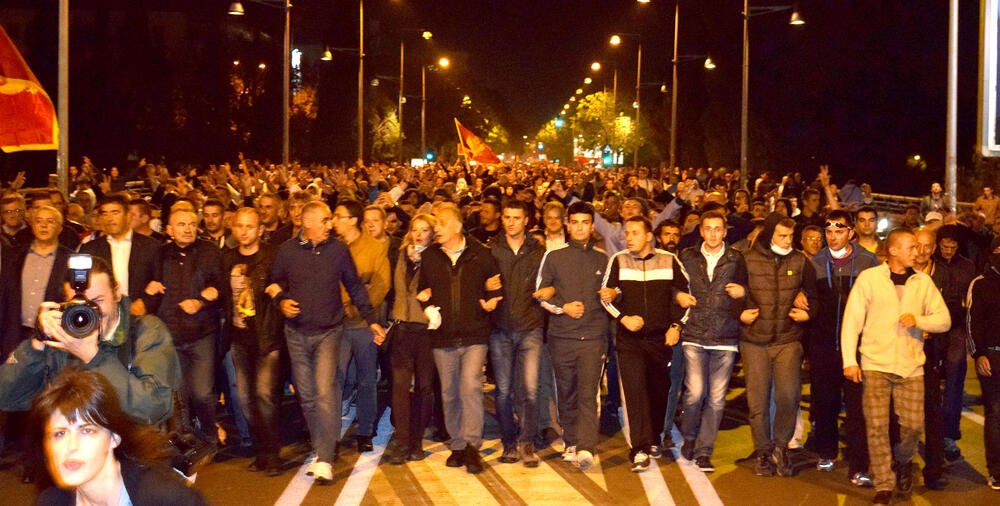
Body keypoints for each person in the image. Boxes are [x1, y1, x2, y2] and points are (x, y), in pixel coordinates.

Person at [268, 201, 385, 484]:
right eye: (325, 220)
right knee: (306, 395)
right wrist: (281, 301)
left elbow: (355, 285)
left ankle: (325, 458)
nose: (330, 224)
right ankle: (321, 444)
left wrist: (370, 319)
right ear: (309, 224)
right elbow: (272, 283)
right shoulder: (286, 251)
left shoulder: (338, 250)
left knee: (324, 391)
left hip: (329, 333)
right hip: (295, 334)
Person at [0, 255, 181, 425]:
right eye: (79, 304)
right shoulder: (59, 338)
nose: (90, 311)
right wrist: (36, 346)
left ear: (117, 293)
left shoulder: (146, 331)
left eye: (97, 301)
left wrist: (93, 357)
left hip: (129, 450)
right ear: (65, 303)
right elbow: (6, 397)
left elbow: (154, 409)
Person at [841, 228, 951, 504]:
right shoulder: (870, 279)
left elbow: (944, 320)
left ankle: (903, 461)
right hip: (875, 364)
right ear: (893, 250)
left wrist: (920, 321)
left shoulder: (923, 282)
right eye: (911, 247)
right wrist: (849, 361)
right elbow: (852, 321)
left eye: (917, 247)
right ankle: (883, 485)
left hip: (911, 366)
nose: (917, 252)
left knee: (913, 426)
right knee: (877, 426)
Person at [32, 368, 206, 506]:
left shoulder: (167, 498)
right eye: (59, 434)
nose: (70, 446)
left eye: (86, 431)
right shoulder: (51, 501)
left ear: (114, 438)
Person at [417, 203, 501, 474]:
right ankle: (457, 445)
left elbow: (496, 287)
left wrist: (490, 301)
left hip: (475, 333)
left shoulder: (481, 254)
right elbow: (423, 290)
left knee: (470, 387)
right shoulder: (430, 256)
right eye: (435, 223)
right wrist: (425, 305)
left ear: (456, 225)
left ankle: (473, 446)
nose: (436, 228)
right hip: (442, 336)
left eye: (441, 223)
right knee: (449, 392)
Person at [599, 216, 686, 472]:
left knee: (659, 392)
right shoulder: (618, 260)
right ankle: (639, 449)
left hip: (661, 340)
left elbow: (685, 295)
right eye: (627, 233)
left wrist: (676, 326)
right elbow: (605, 297)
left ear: (649, 236)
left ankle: (656, 436)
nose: (629, 237)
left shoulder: (670, 261)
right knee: (635, 394)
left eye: (635, 233)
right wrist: (623, 318)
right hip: (630, 341)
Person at [740, 213, 817, 477]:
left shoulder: (799, 260)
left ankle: (781, 447)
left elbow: (815, 298)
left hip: (788, 339)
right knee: (758, 402)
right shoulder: (747, 259)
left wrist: (807, 310)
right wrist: (739, 311)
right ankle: (763, 452)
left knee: (788, 395)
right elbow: (731, 293)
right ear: (769, 234)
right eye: (782, 235)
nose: (787, 241)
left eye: (790, 236)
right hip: (754, 341)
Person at [536, 201, 609, 472]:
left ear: (592, 227)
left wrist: (615, 295)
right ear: (568, 225)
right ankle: (571, 441)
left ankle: (587, 445)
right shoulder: (553, 256)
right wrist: (562, 307)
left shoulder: (604, 258)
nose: (579, 227)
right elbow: (541, 293)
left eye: (585, 223)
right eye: (575, 222)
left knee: (589, 393)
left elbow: (613, 293)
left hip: (593, 336)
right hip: (561, 336)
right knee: (565, 392)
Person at [807, 211, 878, 485]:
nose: (833, 237)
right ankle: (827, 452)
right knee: (825, 403)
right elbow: (808, 301)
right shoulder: (815, 262)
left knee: (859, 409)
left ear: (851, 233)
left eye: (839, 231)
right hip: (823, 347)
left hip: (858, 350)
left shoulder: (868, 261)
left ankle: (859, 465)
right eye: (829, 232)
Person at [676, 211, 748, 473]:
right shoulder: (687, 256)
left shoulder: (737, 259)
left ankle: (705, 450)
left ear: (725, 231)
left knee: (717, 399)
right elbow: (674, 286)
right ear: (701, 231)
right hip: (694, 333)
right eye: (708, 229)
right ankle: (690, 438)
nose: (714, 234)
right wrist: (678, 296)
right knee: (695, 394)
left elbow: (751, 289)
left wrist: (744, 292)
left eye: (718, 229)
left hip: (725, 337)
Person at [145, 207, 225, 445]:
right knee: (178, 397)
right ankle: (186, 445)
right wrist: (149, 291)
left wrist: (204, 300)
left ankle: (210, 436)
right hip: (170, 335)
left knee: (202, 393)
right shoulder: (158, 255)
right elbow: (150, 290)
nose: (188, 229)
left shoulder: (210, 252)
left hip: (202, 333)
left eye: (192, 224)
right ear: (169, 230)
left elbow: (222, 288)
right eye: (181, 224)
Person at [223, 207, 284, 475]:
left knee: (264, 395)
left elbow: (286, 284)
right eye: (239, 226)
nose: (244, 231)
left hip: (266, 337)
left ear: (260, 230)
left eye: (250, 226)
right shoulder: (226, 258)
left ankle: (272, 454)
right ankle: (261, 450)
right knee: (245, 399)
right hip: (238, 338)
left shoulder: (272, 257)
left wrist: (280, 290)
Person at [488, 200, 545, 467]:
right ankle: (509, 443)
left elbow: (549, 282)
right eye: (507, 217)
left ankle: (527, 443)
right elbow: (480, 283)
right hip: (500, 329)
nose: (511, 221)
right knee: (502, 391)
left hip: (530, 327)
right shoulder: (491, 248)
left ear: (526, 220)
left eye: (516, 217)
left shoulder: (538, 251)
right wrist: (485, 287)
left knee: (531, 390)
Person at [332, 200, 390, 453]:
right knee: (336, 378)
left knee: (367, 379)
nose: (334, 221)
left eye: (338, 216)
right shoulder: (333, 247)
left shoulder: (374, 248)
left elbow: (380, 284)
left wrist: (355, 307)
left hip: (364, 324)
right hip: (336, 324)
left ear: (352, 220)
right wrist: (347, 301)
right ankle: (329, 433)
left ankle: (365, 430)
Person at [385, 215, 437, 465]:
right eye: (415, 229)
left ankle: (416, 441)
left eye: (424, 230)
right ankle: (403, 439)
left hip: (426, 330)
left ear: (432, 233)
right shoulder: (398, 254)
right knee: (400, 386)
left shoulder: (436, 258)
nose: (418, 234)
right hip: (402, 327)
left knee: (425, 388)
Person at [2, 206, 74, 353]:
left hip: (52, 336)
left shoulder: (70, 259)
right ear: (32, 226)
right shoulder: (13, 255)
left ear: (60, 228)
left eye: (50, 221)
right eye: (38, 221)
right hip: (14, 334)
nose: (44, 225)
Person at [79, 194, 160, 317]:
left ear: (128, 216)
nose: (109, 218)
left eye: (115, 213)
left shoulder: (151, 246)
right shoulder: (90, 249)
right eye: (104, 214)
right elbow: (80, 284)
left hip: (140, 315)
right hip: (102, 316)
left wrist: (146, 303)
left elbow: (159, 282)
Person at [935, 226, 976, 465]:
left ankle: (949, 435)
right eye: (944, 247)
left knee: (955, 375)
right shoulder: (932, 264)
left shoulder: (967, 266)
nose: (948, 251)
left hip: (957, 327)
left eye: (953, 247)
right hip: (932, 327)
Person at [966, 236, 1000, 490]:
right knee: (996, 412)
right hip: (993, 356)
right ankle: (997, 470)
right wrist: (979, 354)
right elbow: (972, 322)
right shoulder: (981, 284)